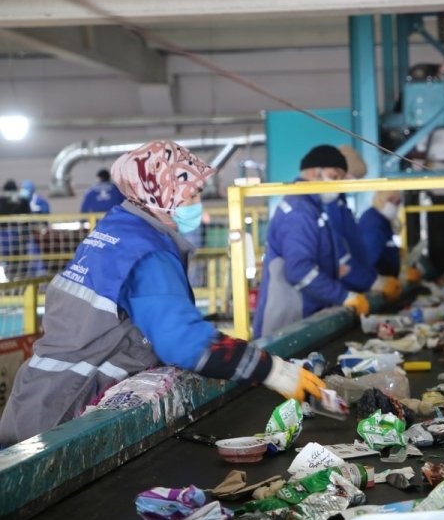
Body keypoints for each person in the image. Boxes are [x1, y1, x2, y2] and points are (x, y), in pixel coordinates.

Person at [0, 141, 324, 446]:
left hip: (37, 396)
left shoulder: (118, 229)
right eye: (192, 194)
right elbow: (184, 343)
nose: (197, 203)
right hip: (64, 412)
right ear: (161, 192)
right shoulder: (145, 253)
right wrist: (272, 370)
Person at [253, 145, 371, 339]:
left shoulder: (313, 208)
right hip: (287, 322)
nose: (339, 184)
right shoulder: (300, 211)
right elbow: (300, 270)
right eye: (335, 176)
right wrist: (342, 296)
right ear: (316, 171)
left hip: (303, 316)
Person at [325, 146, 402, 304]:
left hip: (349, 287)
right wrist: (372, 281)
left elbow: (356, 254)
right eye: (350, 177)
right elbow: (343, 258)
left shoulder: (341, 206)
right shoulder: (329, 209)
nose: (352, 183)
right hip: (340, 290)